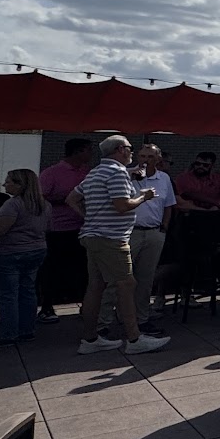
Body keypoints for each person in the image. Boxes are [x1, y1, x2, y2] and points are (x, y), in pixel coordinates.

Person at [69, 135, 170, 355]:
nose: (132, 152)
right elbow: (122, 205)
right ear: (120, 149)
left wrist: (90, 218)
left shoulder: (96, 172)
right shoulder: (116, 172)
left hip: (93, 235)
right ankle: (134, 339)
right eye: (130, 148)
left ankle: (90, 338)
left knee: (96, 286)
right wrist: (144, 197)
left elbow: (72, 198)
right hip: (112, 238)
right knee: (127, 284)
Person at [0, 169, 49, 346]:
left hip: (8, 251)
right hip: (36, 249)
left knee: (7, 294)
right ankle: (26, 330)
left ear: (20, 185)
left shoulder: (12, 204)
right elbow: (48, 226)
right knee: (27, 290)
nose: (5, 185)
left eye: (9, 182)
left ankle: (7, 333)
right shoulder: (44, 205)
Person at [37, 138, 96, 321]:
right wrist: (66, 200)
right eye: (88, 150)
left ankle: (85, 305)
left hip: (82, 227)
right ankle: (47, 306)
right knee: (53, 268)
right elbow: (40, 199)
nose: (91, 154)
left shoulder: (88, 173)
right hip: (57, 229)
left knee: (83, 269)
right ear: (78, 151)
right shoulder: (52, 173)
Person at [128, 144, 176, 334]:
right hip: (131, 231)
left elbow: (168, 205)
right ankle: (108, 320)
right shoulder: (127, 175)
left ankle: (142, 318)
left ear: (158, 159)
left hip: (154, 231)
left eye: (150, 156)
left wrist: (164, 227)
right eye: (142, 156)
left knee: (146, 278)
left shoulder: (164, 178)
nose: (145, 160)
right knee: (121, 277)